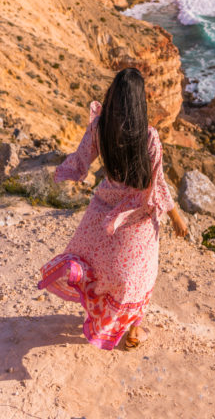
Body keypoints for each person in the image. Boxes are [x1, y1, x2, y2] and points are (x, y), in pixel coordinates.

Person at [38, 67, 188, 351]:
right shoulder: (149, 137)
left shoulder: (100, 127)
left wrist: (60, 174)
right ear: (138, 102)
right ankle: (134, 329)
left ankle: (102, 314)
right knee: (139, 274)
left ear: (113, 96)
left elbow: (81, 160)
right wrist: (176, 218)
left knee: (96, 267)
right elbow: (157, 185)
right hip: (137, 217)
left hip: (102, 209)